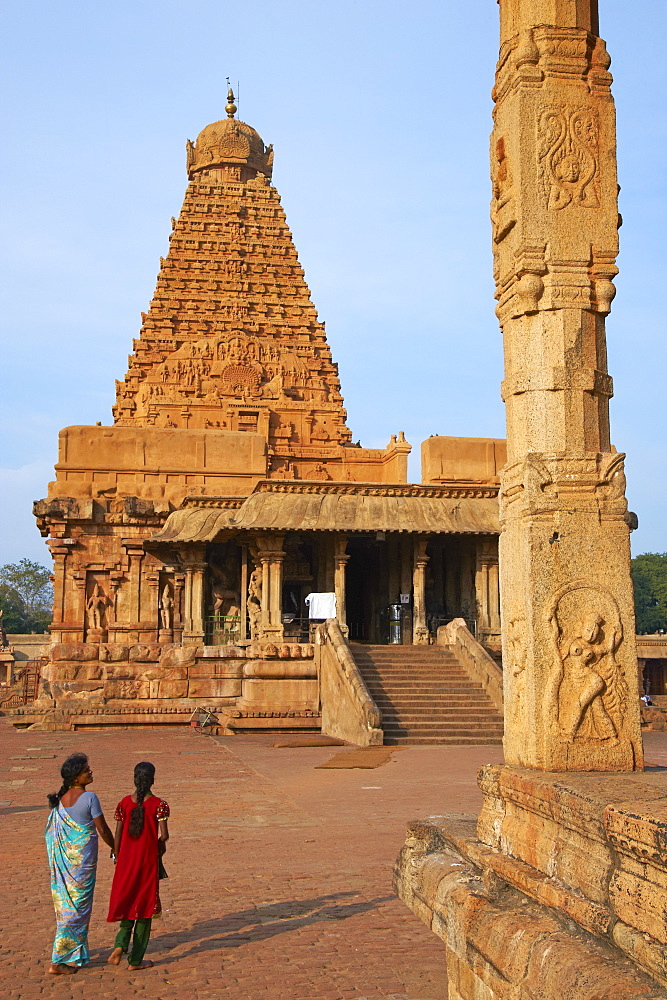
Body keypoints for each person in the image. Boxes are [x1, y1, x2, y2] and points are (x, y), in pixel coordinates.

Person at [45, 753, 115, 975]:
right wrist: (116, 847)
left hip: (65, 865)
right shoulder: (90, 798)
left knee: (69, 907)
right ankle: (59, 958)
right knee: (76, 910)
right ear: (76, 777)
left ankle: (73, 952)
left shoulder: (61, 799)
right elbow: (102, 829)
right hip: (81, 866)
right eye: (86, 770)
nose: (90, 772)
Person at [107, 762, 170, 970]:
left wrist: (116, 852)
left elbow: (117, 833)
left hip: (125, 860)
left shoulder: (124, 803)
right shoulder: (159, 804)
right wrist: (160, 846)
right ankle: (135, 959)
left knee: (127, 900)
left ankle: (120, 944)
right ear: (153, 779)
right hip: (146, 861)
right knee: (144, 907)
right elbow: (164, 835)